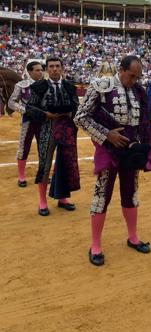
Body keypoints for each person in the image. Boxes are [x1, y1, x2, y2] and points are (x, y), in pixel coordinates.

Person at [74, 55, 151, 266]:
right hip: (108, 150)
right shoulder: (101, 86)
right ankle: (95, 245)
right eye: (131, 76)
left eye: (137, 77)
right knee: (102, 195)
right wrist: (107, 134)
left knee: (131, 193)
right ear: (121, 69)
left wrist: (141, 146)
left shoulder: (138, 91)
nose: (134, 81)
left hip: (130, 152)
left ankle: (133, 237)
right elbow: (80, 116)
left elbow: (143, 122)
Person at [24, 57, 80, 216]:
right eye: (51, 66)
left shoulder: (70, 86)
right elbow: (29, 108)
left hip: (66, 128)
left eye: (57, 66)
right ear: (47, 69)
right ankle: (42, 201)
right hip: (47, 128)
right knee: (45, 164)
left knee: (64, 163)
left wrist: (71, 113)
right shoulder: (39, 86)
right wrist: (45, 114)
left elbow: (77, 107)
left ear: (62, 68)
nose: (54, 69)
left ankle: (62, 198)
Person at [9, 60, 44, 187]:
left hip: (43, 121)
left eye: (41, 70)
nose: (40, 72)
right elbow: (11, 102)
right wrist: (25, 110)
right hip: (28, 121)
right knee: (24, 147)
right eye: (37, 70)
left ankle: (43, 174)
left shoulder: (46, 84)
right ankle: (21, 176)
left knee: (44, 148)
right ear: (29, 71)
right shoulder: (22, 85)